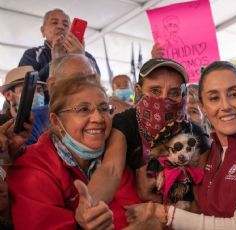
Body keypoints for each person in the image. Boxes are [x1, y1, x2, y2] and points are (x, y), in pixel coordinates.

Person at [125, 61, 236, 229]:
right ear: (203, 107)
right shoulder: (212, 150)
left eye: (234, 94)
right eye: (214, 98)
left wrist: (163, 214)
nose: (225, 106)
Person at [75, 58, 210, 221]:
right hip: (133, 217)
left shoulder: (194, 132)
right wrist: (90, 203)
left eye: (174, 93)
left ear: (183, 95)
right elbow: (111, 170)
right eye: (155, 91)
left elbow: (203, 196)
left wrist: (164, 213)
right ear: (139, 91)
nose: (164, 99)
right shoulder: (127, 122)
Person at [6, 74, 141, 229]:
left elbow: (133, 214)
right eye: (83, 109)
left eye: (104, 108)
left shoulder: (112, 156)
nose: (98, 118)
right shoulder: (31, 170)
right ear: (56, 121)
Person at [18, 8, 99, 83]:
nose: (61, 27)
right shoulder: (32, 54)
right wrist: (55, 63)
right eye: (54, 23)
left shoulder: (86, 56)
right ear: (43, 31)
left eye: (65, 25)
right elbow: (24, 86)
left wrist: (80, 58)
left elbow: (96, 82)